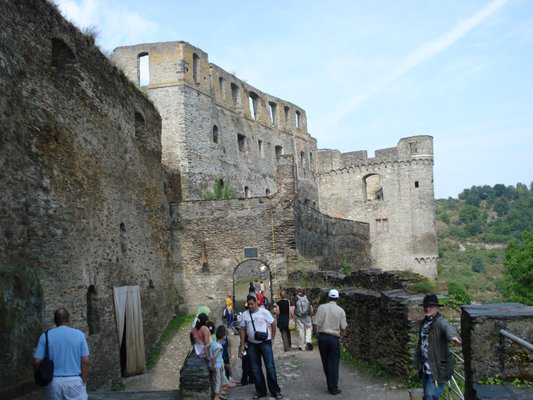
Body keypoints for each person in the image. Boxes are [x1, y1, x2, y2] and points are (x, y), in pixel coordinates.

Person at [33, 307, 90, 400]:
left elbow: (36, 361)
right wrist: (83, 381)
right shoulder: (79, 335)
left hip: (52, 383)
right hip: (74, 381)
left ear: (55, 321)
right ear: (68, 319)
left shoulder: (45, 336)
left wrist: (40, 379)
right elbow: (85, 360)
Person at [414, 294, 461, 400]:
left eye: (431, 306)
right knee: (429, 394)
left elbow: (448, 328)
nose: (427, 308)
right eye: (426, 306)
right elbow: (421, 344)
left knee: (430, 395)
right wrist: (417, 362)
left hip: (437, 368)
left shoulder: (440, 321)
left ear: (437, 307)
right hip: (425, 367)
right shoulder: (424, 323)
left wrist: (453, 337)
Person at [239, 295, 283, 399]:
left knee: (270, 367)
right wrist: (241, 344)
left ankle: (275, 391)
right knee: (255, 368)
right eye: (248, 304)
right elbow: (242, 329)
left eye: (252, 304)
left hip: (265, 342)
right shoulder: (245, 315)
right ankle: (261, 391)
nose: (250, 306)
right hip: (252, 344)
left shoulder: (264, 312)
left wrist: (272, 338)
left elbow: (273, 324)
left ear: (256, 303)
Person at [313, 289, 347, 396]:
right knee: (334, 362)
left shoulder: (322, 307)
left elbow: (316, 323)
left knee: (326, 361)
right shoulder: (340, 310)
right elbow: (343, 327)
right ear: (337, 298)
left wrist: (316, 334)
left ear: (328, 297)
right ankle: (333, 387)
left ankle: (330, 384)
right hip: (333, 338)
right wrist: (341, 335)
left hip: (322, 337)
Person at [211, 325, 228, 400]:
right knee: (218, 381)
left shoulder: (213, 342)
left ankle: (219, 394)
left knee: (219, 380)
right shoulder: (219, 347)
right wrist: (213, 366)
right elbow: (214, 356)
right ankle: (216, 396)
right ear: (223, 336)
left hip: (218, 365)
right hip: (217, 366)